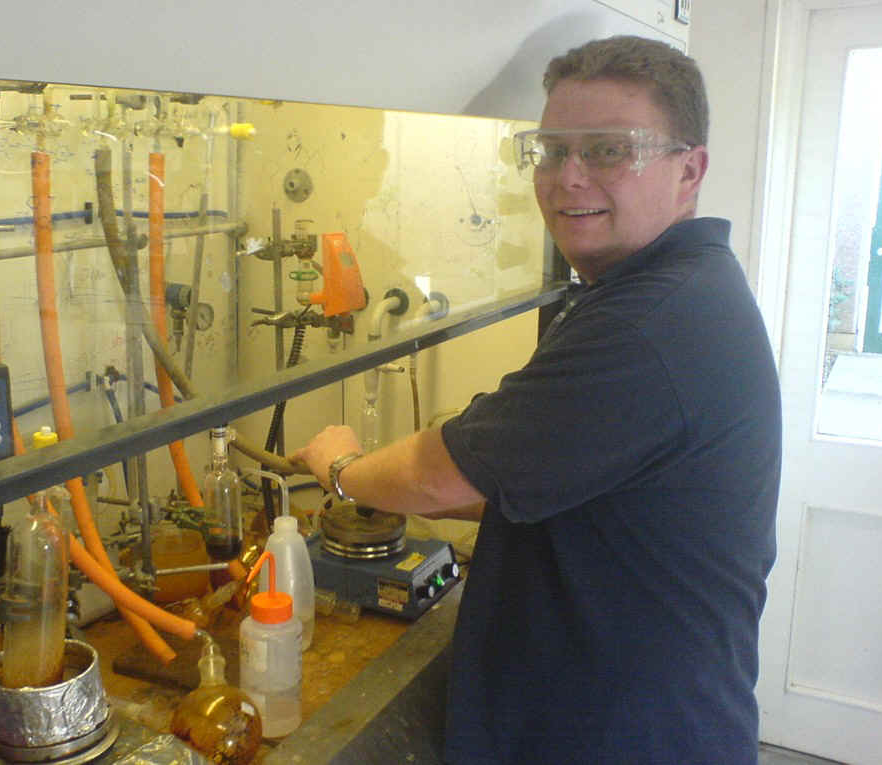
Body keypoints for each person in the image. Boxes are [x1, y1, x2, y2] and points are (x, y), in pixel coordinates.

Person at [292, 35, 781, 764]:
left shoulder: (650, 324)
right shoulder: (673, 287)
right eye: (550, 150)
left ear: (690, 170)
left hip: (631, 739)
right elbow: (546, 481)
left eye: (609, 150)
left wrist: (341, 469)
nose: (566, 178)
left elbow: (438, 475)